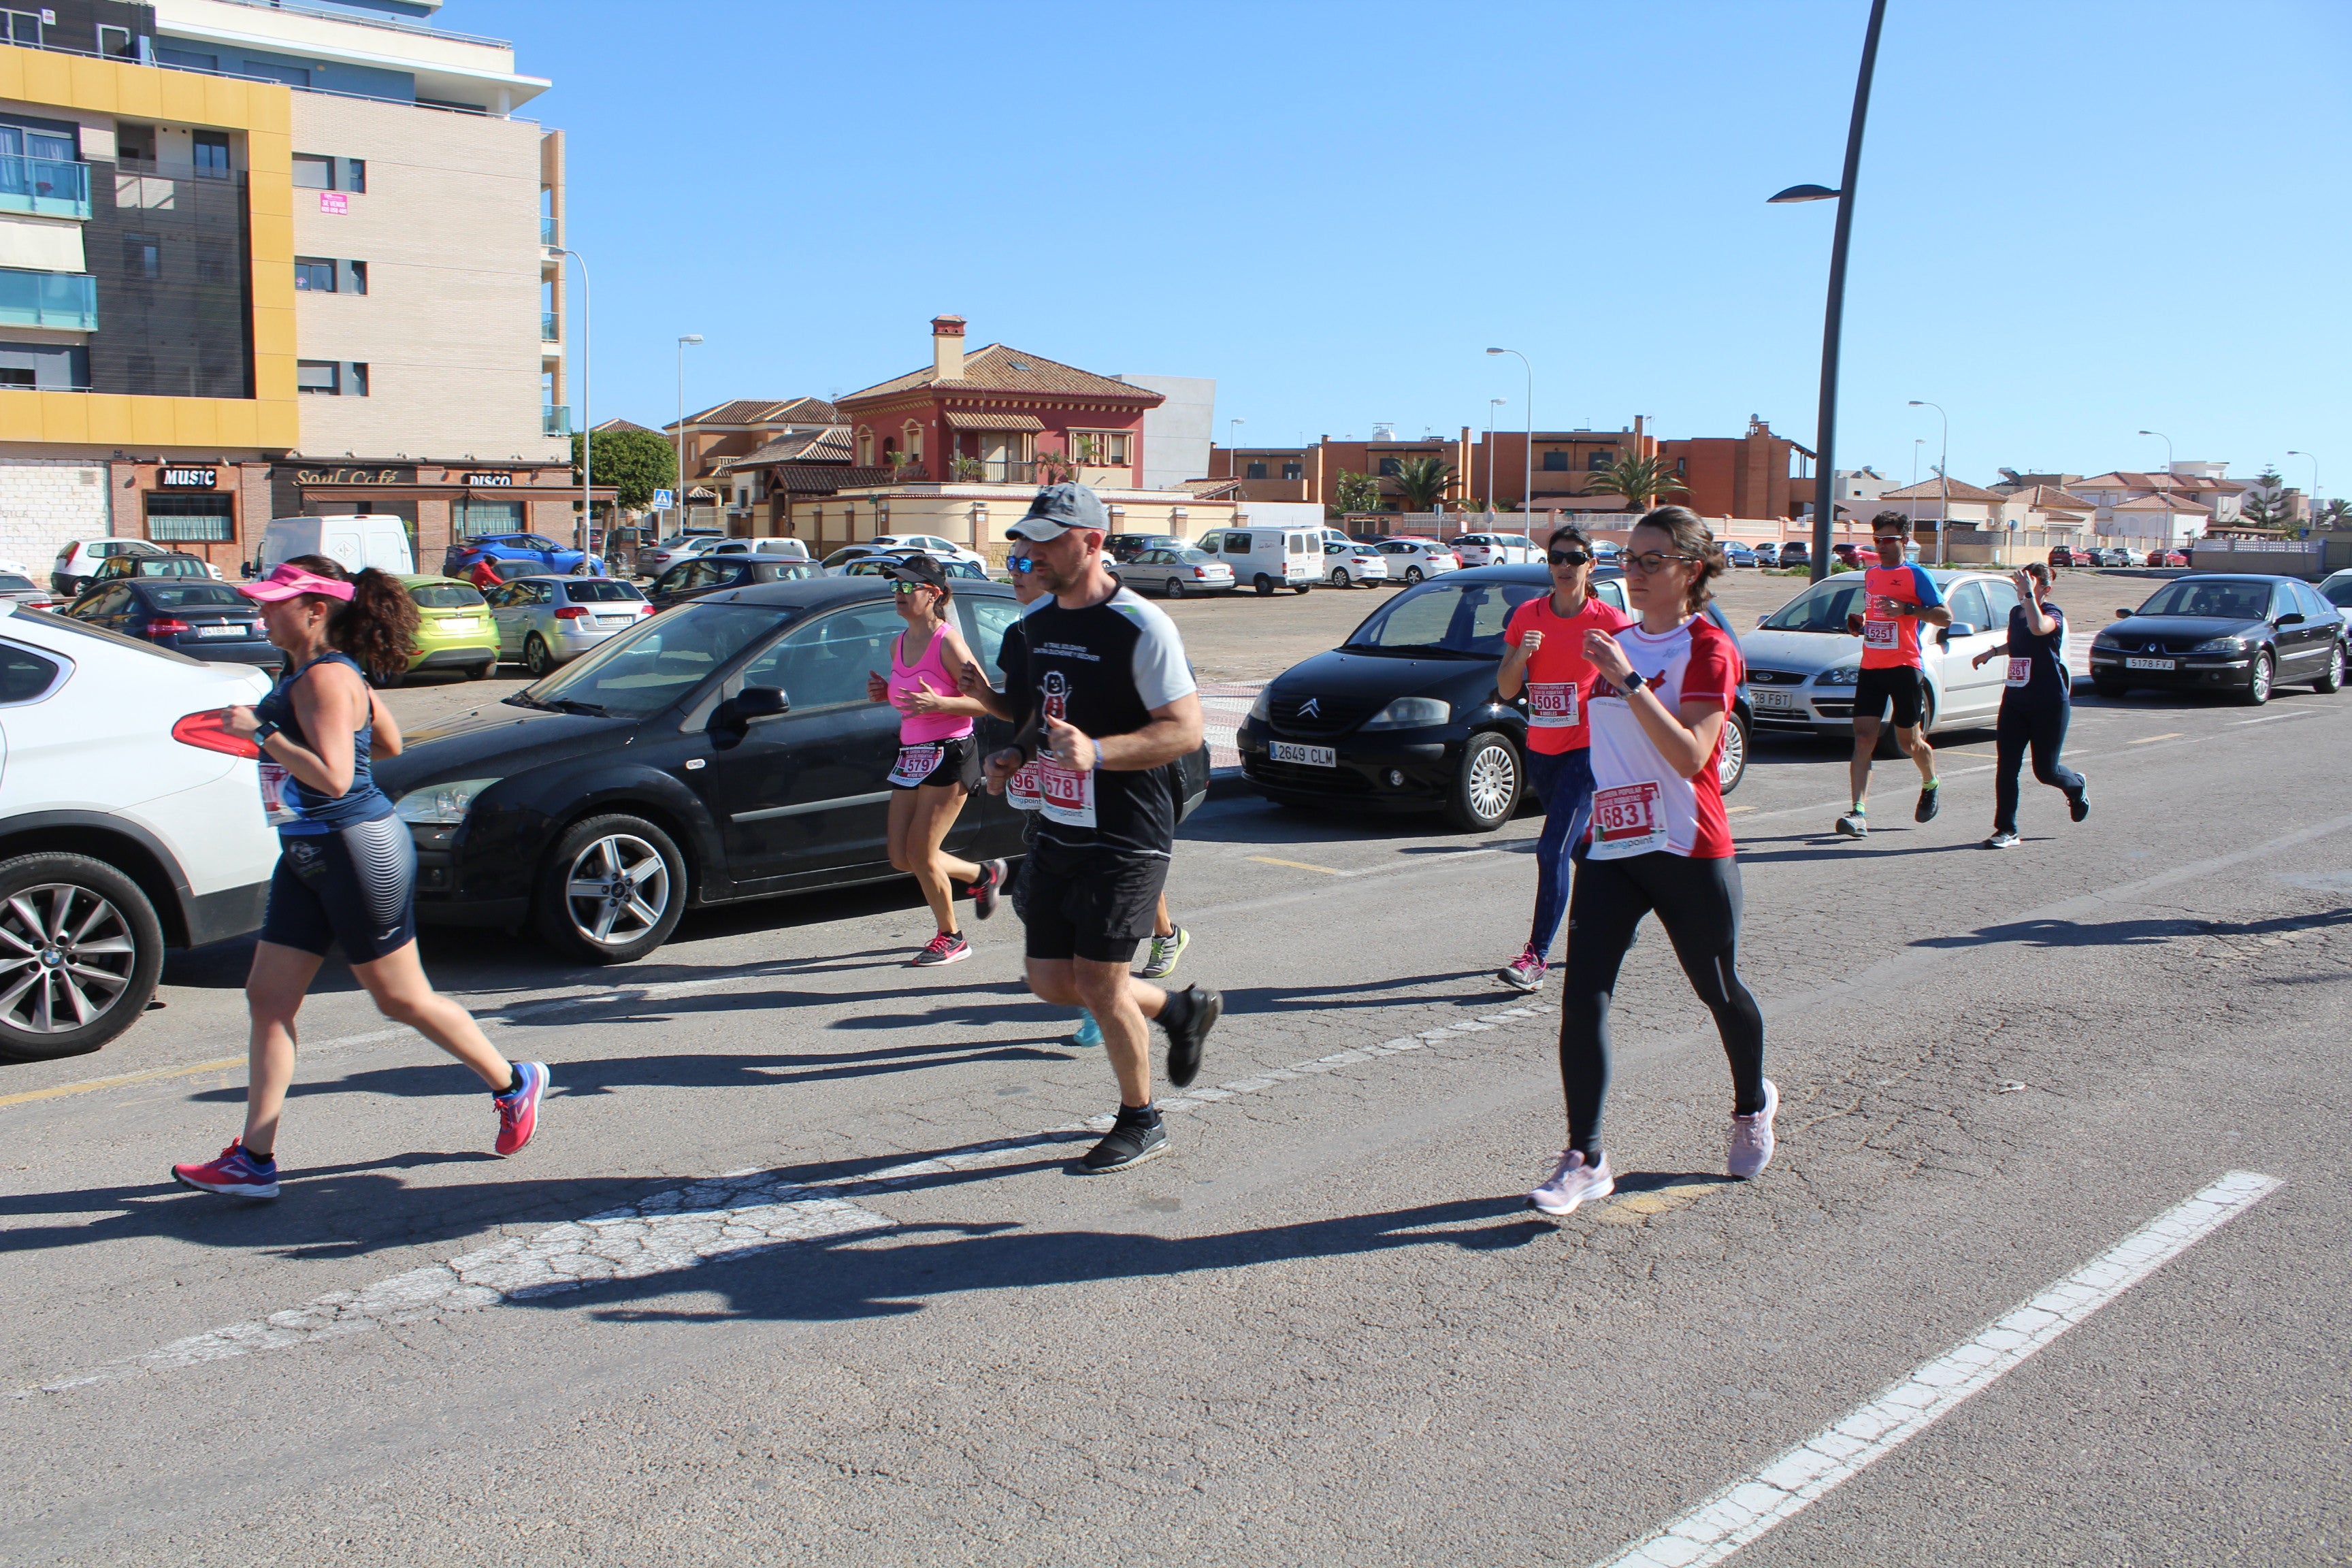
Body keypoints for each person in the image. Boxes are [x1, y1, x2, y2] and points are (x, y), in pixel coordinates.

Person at [172, 558, 548, 1200]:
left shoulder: (324, 678)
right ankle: (254, 1160)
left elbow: (338, 778)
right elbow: (391, 743)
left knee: (401, 999)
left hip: (354, 848)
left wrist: (262, 733)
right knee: (268, 999)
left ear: (314, 609)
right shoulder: (313, 673)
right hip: (308, 851)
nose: (260, 613)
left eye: (272, 604)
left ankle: (515, 1082)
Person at [1529, 506, 1774, 1217]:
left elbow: (1693, 754)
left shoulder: (1706, 648)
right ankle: (1586, 1156)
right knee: (1584, 995)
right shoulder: (1616, 641)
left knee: (1718, 987)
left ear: (1689, 570)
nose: (1631, 572)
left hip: (1688, 844)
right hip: (1615, 845)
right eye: (1628, 559)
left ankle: (1752, 1104)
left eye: (1649, 560)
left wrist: (1631, 681)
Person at [981, 483, 1222, 1174]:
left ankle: (1140, 1120)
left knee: (1100, 978)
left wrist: (1102, 753)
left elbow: (1186, 731)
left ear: (1091, 542)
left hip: (1129, 826)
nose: (1030, 553)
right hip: (1062, 818)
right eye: (1026, 541)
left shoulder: (1142, 627)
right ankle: (1178, 1011)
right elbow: (1039, 709)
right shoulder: (1038, 625)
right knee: (1050, 980)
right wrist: (1016, 754)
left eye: (1047, 541)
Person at [1492, 524, 1631, 992]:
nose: (1565, 567)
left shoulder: (1610, 621)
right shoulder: (1526, 617)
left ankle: (1536, 958)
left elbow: (1637, 682)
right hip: (1542, 750)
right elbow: (1508, 688)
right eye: (1557, 558)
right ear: (1548, 565)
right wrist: (1522, 656)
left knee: (1550, 849)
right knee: (1577, 848)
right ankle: (1622, 917)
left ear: (1592, 565)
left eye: (1575, 558)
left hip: (1588, 749)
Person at [865, 553, 1004, 966]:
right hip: (912, 755)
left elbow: (986, 702)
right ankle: (982, 876)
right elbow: (910, 700)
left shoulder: (949, 642)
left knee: (923, 854)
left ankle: (952, 937)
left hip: (950, 752)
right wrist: (886, 692)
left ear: (934, 594)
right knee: (900, 856)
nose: (900, 594)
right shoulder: (899, 642)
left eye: (910, 588)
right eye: (897, 587)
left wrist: (939, 701)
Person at [1835, 512, 1952, 838]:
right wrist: (1860, 622)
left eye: (1889, 539)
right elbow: (1876, 613)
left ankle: (1931, 782)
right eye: (1878, 540)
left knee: (1909, 741)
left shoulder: (1917, 575)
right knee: (1863, 739)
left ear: (1904, 540)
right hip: (1872, 665)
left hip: (1905, 667)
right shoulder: (1871, 574)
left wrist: (1908, 610)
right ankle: (1858, 812)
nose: (1883, 546)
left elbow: (1944, 617)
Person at [1972, 561, 2087, 847]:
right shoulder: (2016, 613)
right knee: (2007, 766)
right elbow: (2021, 642)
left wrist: (2028, 597)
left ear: (2045, 589)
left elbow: (2038, 630)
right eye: (2020, 583)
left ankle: (2076, 786)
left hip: (2048, 702)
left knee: (2046, 771)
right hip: (2015, 700)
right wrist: (1993, 652)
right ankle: (2006, 829)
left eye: (2030, 584)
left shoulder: (2052, 613)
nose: (2021, 589)